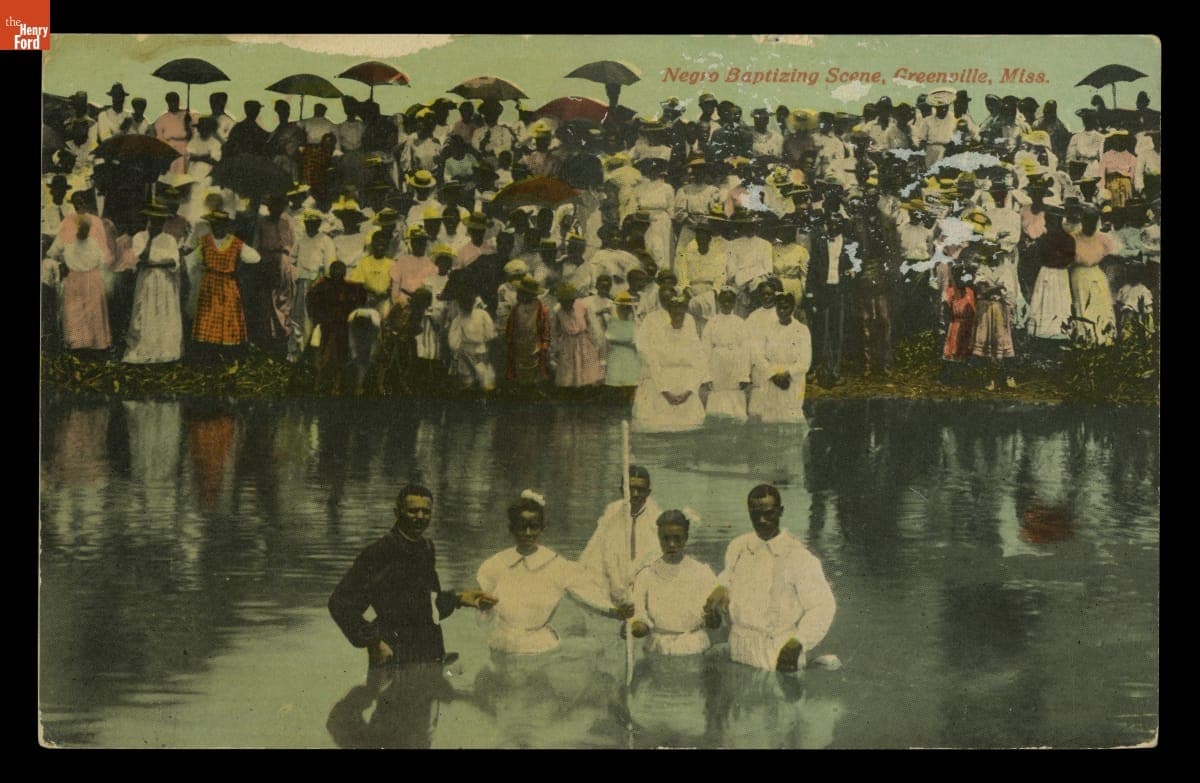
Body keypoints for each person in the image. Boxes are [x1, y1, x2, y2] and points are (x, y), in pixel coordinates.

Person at [329, 484, 496, 669]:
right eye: (413, 511)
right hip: (393, 655)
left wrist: (459, 599)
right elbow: (340, 604)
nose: (420, 517)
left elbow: (426, 607)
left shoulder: (426, 548)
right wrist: (374, 642)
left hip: (430, 652)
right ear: (397, 512)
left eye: (426, 511)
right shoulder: (379, 552)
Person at [475, 491, 631, 654]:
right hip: (502, 643)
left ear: (542, 528)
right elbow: (481, 610)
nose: (528, 533)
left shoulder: (557, 565)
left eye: (534, 527)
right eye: (522, 527)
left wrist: (615, 611)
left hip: (538, 645)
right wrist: (483, 607)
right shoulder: (495, 564)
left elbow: (588, 594)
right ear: (512, 529)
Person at [704, 484, 836, 673]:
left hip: (777, 649)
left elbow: (823, 606)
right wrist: (720, 590)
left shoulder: (799, 556)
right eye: (755, 514)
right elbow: (729, 576)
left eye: (769, 513)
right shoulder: (738, 546)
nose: (763, 520)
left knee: (778, 698)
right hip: (739, 645)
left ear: (780, 511)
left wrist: (799, 642)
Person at [629, 509, 720, 656]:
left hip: (694, 646)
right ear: (659, 538)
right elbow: (639, 615)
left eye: (677, 538)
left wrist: (713, 616)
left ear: (686, 537)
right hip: (658, 647)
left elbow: (715, 623)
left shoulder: (702, 573)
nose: (671, 544)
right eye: (666, 538)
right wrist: (636, 626)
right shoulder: (646, 575)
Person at [580, 465, 664, 607]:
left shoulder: (656, 519)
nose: (635, 494)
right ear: (622, 490)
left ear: (648, 492)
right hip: (615, 586)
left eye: (641, 490)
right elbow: (594, 548)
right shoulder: (613, 513)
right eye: (630, 489)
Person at [632, 292, 710, 432]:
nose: (677, 314)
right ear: (669, 312)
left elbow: (700, 365)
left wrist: (689, 391)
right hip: (664, 388)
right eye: (674, 310)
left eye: (681, 310)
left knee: (688, 430)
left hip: (686, 387)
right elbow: (654, 364)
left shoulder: (691, 336)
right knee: (663, 428)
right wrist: (665, 392)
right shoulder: (660, 335)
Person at [188, 210, 261, 354]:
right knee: (209, 314)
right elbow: (193, 260)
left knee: (227, 314)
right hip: (210, 283)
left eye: (221, 224)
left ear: (227, 226)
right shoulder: (205, 241)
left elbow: (255, 257)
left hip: (228, 283)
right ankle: (209, 347)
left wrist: (239, 264)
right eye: (215, 224)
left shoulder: (235, 242)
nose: (218, 227)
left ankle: (227, 347)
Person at [123, 202, 183, 364]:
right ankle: (144, 349)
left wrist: (156, 263)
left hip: (164, 281)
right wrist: (150, 239)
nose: (157, 224)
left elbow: (174, 262)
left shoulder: (169, 239)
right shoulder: (140, 237)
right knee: (145, 310)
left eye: (161, 220)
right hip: (148, 279)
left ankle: (164, 350)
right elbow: (140, 261)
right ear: (149, 219)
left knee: (163, 311)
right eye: (154, 220)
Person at [748, 292, 812, 424]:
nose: (782, 312)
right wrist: (773, 375)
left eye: (786, 308)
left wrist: (787, 374)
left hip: (792, 381)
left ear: (792, 308)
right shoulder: (768, 329)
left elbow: (805, 361)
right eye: (779, 308)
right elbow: (758, 355)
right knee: (771, 418)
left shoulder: (802, 330)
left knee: (791, 418)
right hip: (771, 380)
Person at [50, 215, 111, 352]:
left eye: (86, 228)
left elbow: (102, 261)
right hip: (75, 279)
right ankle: (79, 341)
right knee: (75, 311)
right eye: (81, 228)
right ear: (76, 228)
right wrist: (62, 261)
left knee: (92, 311)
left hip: (92, 278)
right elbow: (53, 253)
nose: (83, 231)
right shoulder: (68, 242)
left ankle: (95, 341)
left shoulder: (94, 243)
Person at [700, 287, 751, 421]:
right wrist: (706, 375)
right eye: (723, 301)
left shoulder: (740, 323)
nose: (726, 304)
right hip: (717, 364)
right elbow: (705, 350)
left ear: (734, 302)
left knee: (735, 395)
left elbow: (746, 350)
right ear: (718, 302)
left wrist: (744, 375)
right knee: (718, 395)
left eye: (729, 301)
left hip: (735, 363)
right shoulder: (712, 323)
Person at [550, 282, 604, 388]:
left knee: (586, 366)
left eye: (570, 301)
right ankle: (572, 390)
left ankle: (586, 388)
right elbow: (554, 331)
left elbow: (592, 325)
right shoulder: (558, 311)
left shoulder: (583, 306)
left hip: (583, 340)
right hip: (568, 342)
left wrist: (596, 341)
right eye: (564, 302)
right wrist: (556, 347)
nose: (567, 304)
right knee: (569, 368)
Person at [503, 275, 551, 387]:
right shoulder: (517, 307)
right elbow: (511, 325)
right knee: (520, 365)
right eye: (523, 293)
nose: (525, 296)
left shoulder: (539, 306)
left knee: (534, 365)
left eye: (529, 294)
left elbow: (544, 324)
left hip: (534, 341)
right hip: (519, 342)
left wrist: (545, 341)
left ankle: (532, 387)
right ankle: (522, 387)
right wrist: (510, 339)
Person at [602, 290, 641, 389]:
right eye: (622, 307)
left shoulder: (635, 323)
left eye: (627, 308)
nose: (625, 310)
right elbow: (606, 340)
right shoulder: (611, 321)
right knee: (615, 384)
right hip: (614, 356)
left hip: (630, 356)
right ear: (618, 307)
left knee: (630, 384)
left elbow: (637, 341)